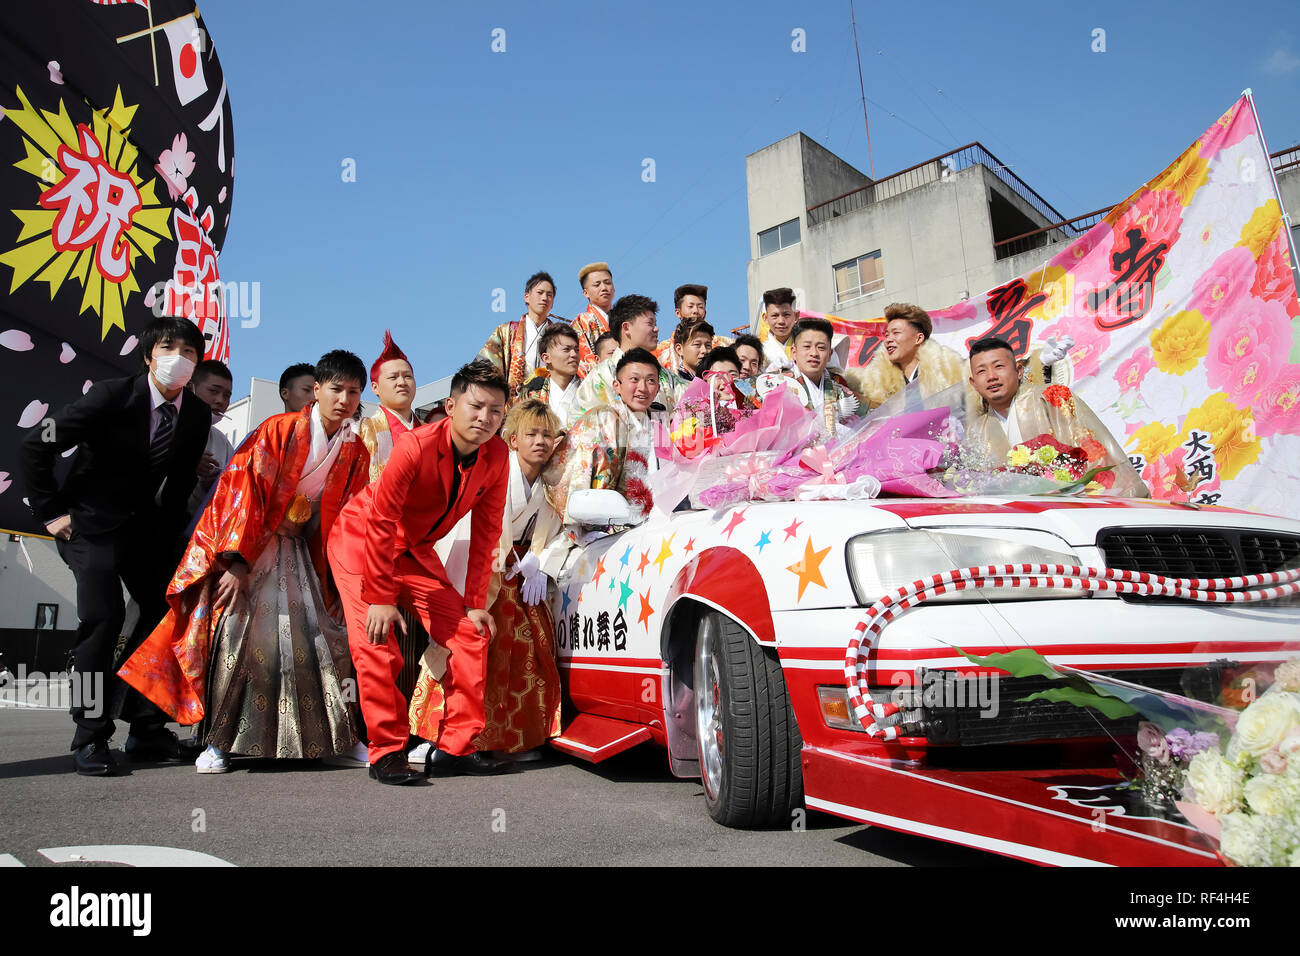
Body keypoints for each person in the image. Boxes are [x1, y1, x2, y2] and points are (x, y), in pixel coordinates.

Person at [118, 351, 373, 773]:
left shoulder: (355, 449)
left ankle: (332, 738)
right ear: (317, 391)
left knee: (320, 639)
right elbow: (241, 491)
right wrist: (236, 561)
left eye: (353, 391)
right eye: (335, 389)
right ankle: (218, 741)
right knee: (238, 635)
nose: (344, 399)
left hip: (299, 553)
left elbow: (350, 514)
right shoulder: (277, 430)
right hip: (252, 549)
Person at [20, 318, 211, 775]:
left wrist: (173, 542)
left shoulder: (197, 413)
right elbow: (36, 444)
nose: (178, 359)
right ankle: (89, 734)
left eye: (188, 352)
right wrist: (51, 514)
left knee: (168, 612)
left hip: (147, 531)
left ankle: (145, 726)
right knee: (102, 619)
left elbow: (180, 479)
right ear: (148, 356)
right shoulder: (110, 396)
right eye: (168, 348)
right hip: (90, 526)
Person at [327, 359, 512, 784]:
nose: (485, 418)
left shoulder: (497, 455)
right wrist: (380, 596)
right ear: (450, 405)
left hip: (415, 550)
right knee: (378, 642)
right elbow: (380, 521)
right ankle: (387, 752)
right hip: (362, 541)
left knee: (469, 633)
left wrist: (473, 604)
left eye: (496, 411)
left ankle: (455, 746)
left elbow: (486, 533)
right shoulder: (416, 445)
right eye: (476, 406)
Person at [410, 399, 567, 759]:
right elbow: (478, 529)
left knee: (526, 653)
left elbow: (559, 531)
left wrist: (539, 561)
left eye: (547, 435)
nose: (540, 442)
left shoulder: (548, 486)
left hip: (516, 572)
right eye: (531, 434)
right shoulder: (496, 471)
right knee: (465, 647)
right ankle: (433, 735)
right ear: (512, 440)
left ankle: (514, 737)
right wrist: (500, 565)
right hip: (478, 570)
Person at [965, 337, 1149, 497]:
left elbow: (1096, 456)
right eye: (982, 371)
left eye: (999, 366)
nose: (991, 377)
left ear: (1019, 371)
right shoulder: (977, 429)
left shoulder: (1052, 397)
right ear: (974, 383)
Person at [547, 348, 668, 529]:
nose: (642, 388)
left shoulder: (661, 422)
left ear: (658, 388)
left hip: (654, 522)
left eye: (651, 381)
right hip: (608, 528)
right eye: (634, 379)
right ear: (616, 385)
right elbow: (580, 475)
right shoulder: (602, 418)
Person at [570, 294, 682, 420]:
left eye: (655, 324)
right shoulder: (601, 375)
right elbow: (579, 423)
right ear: (626, 328)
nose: (656, 329)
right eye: (650, 323)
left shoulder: (666, 376)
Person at [856, 302, 964, 409]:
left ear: (918, 338)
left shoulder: (949, 373)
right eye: (887, 335)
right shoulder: (877, 383)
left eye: (896, 333)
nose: (888, 340)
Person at [479, 271, 559, 404]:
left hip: (549, 404)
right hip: (514, 404)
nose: (545, 298)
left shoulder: (559, 336)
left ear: (553, 302)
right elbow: (485, 367)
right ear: (526, 297)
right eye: (540, 293)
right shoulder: (506, 331)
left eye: (549, 295)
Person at [778, 317, 862, 438]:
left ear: (829, 355)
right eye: (807, 346)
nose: (814, 353)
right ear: (794, 352)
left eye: (821, 347)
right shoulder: (779, 385)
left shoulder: (842, 392)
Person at [358, 330, 419, 484]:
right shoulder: (362, 430)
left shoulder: (432, 430)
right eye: (393, 377)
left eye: (408, 376)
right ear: (375, 387)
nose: (402, 382)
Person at [187, 360, 236, 516]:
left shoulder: (224, 443)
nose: (220, 401)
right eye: (213, 391)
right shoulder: (167, 426)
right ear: (190, 388)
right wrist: (185, 464)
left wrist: (216, 483)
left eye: (226, 396)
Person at [519, 323, 581, 427]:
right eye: (566, 350)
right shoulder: (531, 395)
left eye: (576, 350)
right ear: (546, 358)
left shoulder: (590, 389)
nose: (574, 354)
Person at [571, 262, 615, 375]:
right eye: (597, 285)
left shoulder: (625, 319)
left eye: (608, 283)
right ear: (586, 293)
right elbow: (582, 360)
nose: (604, 288)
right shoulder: (581, 322)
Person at [757, 287, 799, 372]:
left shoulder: (808, 347)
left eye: (786, 315)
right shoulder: (760, 352)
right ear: (765, 318)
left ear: (796, 316)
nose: (781, 321)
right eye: (775, 316)